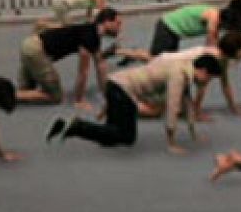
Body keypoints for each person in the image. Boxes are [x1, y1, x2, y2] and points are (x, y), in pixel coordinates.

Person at [48, 53, 226, 155]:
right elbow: (173, 107)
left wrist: (193, 133)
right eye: (209, 77)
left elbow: (187, 104)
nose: (207, 82)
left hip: (115, 85)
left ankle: (89, 130)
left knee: (113, 135)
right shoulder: (179, 74)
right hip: (122, 90)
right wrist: (171, 143)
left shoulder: (185, 68)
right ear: (202, 70)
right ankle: (75, 127)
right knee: (127, 137)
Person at [16, 8, 122, 107]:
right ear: (107, 22)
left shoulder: (91, 31)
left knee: (27, 89)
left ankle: (16, 93)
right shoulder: (90, 37)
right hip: (36, 51)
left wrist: (106, 93)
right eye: (118, 23)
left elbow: (100, 65)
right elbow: (83, 72)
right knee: (55, 96)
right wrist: (79, 100)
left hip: (30, 45)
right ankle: (10, 95)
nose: (120, 28)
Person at [153, 31, 241, 122]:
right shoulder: (213, 59)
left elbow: (225, 84)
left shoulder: (221, 58)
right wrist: (197, 113)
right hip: (165, 69)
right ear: (237, 51)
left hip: (171, 66)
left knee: (179, 108)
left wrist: (233, 107)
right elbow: (201, 87)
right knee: (157, 110)